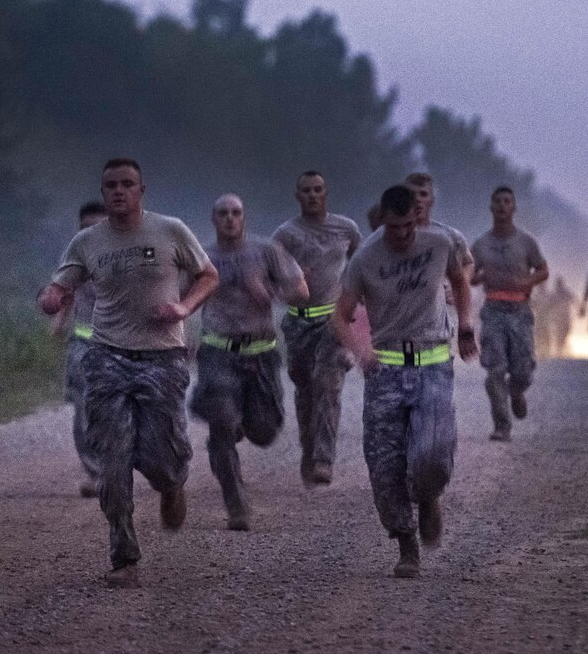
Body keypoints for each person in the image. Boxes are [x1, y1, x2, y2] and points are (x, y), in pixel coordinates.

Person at [37, 158, 219, 589]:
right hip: (107, 357)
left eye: (127, 184)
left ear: (142, 190)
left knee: (164, 459)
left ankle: (172, 485)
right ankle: (124, 557)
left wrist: (184, 307)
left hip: (163, 357)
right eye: (111, 186)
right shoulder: (87, 242)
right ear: (103, 193)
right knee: (113, 461)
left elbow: (208, 275)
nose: (119, 192)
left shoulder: (170, 230)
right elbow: (61, 285)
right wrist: (53, 296)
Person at [332, 185, 477, 578]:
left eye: (409, 225)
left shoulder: (439, 242)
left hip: (432, 363)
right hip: (386, 368)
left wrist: (465, 325)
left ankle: (428, 496)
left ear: (417, 217)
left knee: (431, 454)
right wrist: (361, 350)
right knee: (385, 465)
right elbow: (340, 315)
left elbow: (461, 280)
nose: (402, 235)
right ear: (382, 220)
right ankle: (406, 543)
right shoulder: (365, 259)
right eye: (394, 227)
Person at [189, 194, 308, 531]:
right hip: (218, 351)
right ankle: (236, 503)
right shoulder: (203, 257)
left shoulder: (266, 251)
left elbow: (302, 291)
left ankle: (235, 421)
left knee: (265, 431)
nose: (230, 219)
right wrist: (181, 332)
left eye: (236, 213)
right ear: (213, 219)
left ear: (244, 217)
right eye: (223, 213)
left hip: (261, 352)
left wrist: (272, 292)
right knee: (222, 423)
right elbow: (183, 297)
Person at [272, 170, 362, 485]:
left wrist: (358, 306)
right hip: (298, 321)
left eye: (318, 189)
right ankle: (309, 448)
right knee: (305, 386)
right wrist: (292, 279)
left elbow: (361, 266)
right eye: (306, 190)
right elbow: (270, 279)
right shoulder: (285, 234)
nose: (312, 195)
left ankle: (324, 458)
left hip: (333, 320)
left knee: (327, 383)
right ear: (298, 196)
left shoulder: (346, 229)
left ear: (326, 193)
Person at [470, 186, 549, 441]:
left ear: (514, 207)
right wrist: (479, 276)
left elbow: (543, 270)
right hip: (493, 310)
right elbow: (467, 275)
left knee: (523, 370)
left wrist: (528, 283)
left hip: (519, 311)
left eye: (507, 202)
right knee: (495, 370)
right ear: (491, 207)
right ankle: (502, 426)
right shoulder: (481, 244)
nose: (503, 206)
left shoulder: (526, 242)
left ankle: (516, 393)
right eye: (498, 202)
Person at [52, 201, 108, 498]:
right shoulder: (74, 255)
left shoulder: (128, 253)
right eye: (86, 228)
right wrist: (59, 320)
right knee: (84, 407)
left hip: (124, 343)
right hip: (84, 341)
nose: (92, 233)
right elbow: (64, 289)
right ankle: (95, 471)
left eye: (98, 227)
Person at [404, 172, 475, 344]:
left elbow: (468, 262)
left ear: (431, 200)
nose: (418, 200)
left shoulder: (449, 236)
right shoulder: (389, 237)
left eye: (423, 194)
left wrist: (458, 284)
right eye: (412, 195)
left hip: (437, 327)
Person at [548, 277, 577, 357]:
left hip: (565, 317)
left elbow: (574, 300)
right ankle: (559, 349)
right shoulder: (554, 295)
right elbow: (549, 306)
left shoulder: (565, 293)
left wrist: (579, 309)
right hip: (558, 317)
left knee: (565, 332)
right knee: (559, 333)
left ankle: (561, 347)